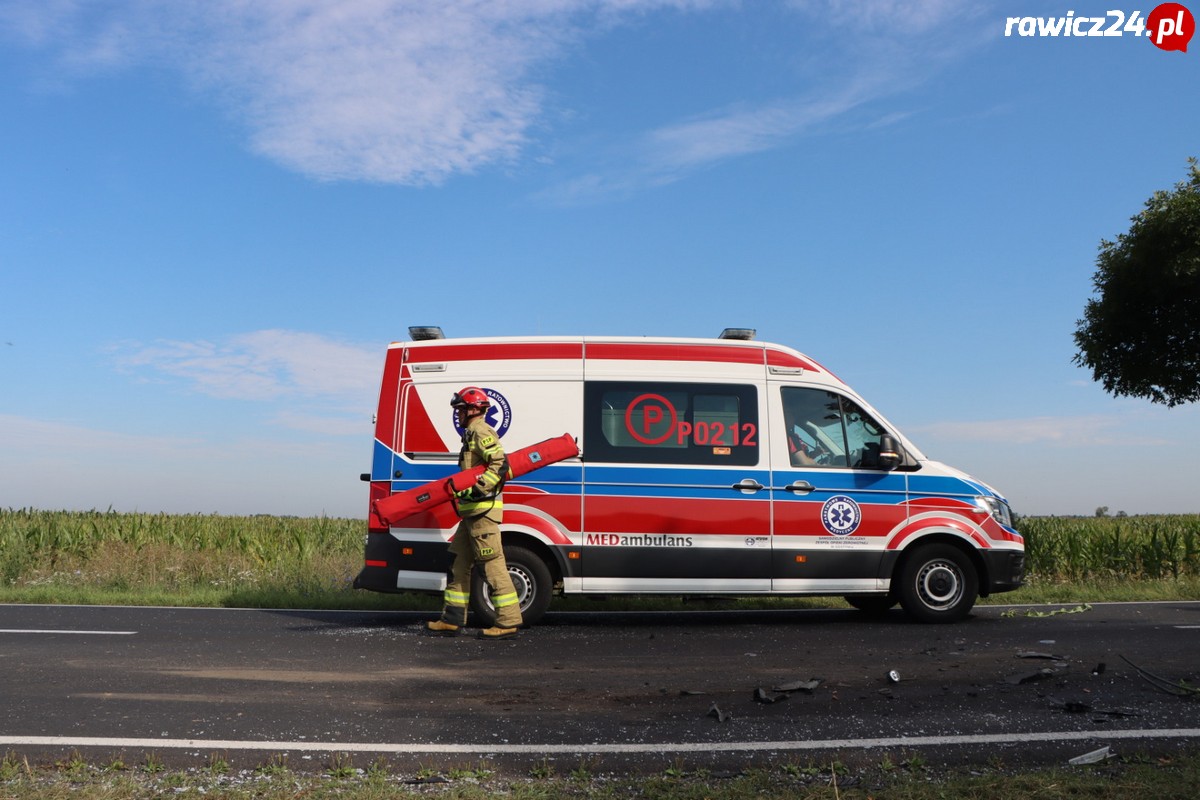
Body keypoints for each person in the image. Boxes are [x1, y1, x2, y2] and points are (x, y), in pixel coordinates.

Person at [426, 386, 524, 640]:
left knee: (492, 566)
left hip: (483, 514)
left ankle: (508, 621)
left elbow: (499, 462)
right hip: (470, 516)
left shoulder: (481, 431)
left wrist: (480, 489)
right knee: (458, 564)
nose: (457, 415)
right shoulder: (470, 433)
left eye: (460, 409)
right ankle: (452, 619)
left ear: (472, 409)